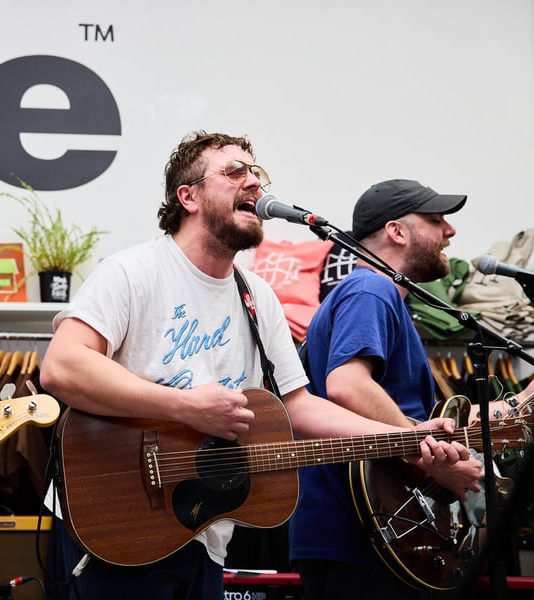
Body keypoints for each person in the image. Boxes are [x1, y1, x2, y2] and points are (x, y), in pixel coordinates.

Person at [38, 132, 479, 599]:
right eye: (234, 172)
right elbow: (62, 367)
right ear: (188, 197)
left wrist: (406, 437)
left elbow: (299, 406)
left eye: (256, 172)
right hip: (117, 523)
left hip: (203, 533)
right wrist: (186, 407)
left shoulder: (256, 296)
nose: (253, 182)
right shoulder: (133, 271)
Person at [289, 179, 534, 599]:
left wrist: (511, 408)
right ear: (397, 231)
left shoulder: (379, 298)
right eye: (437, 220)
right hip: (361, 537)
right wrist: (433, 460)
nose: (450, 231)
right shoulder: (371, 288)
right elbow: (347, 387)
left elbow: (412, 418)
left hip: (376, 532)